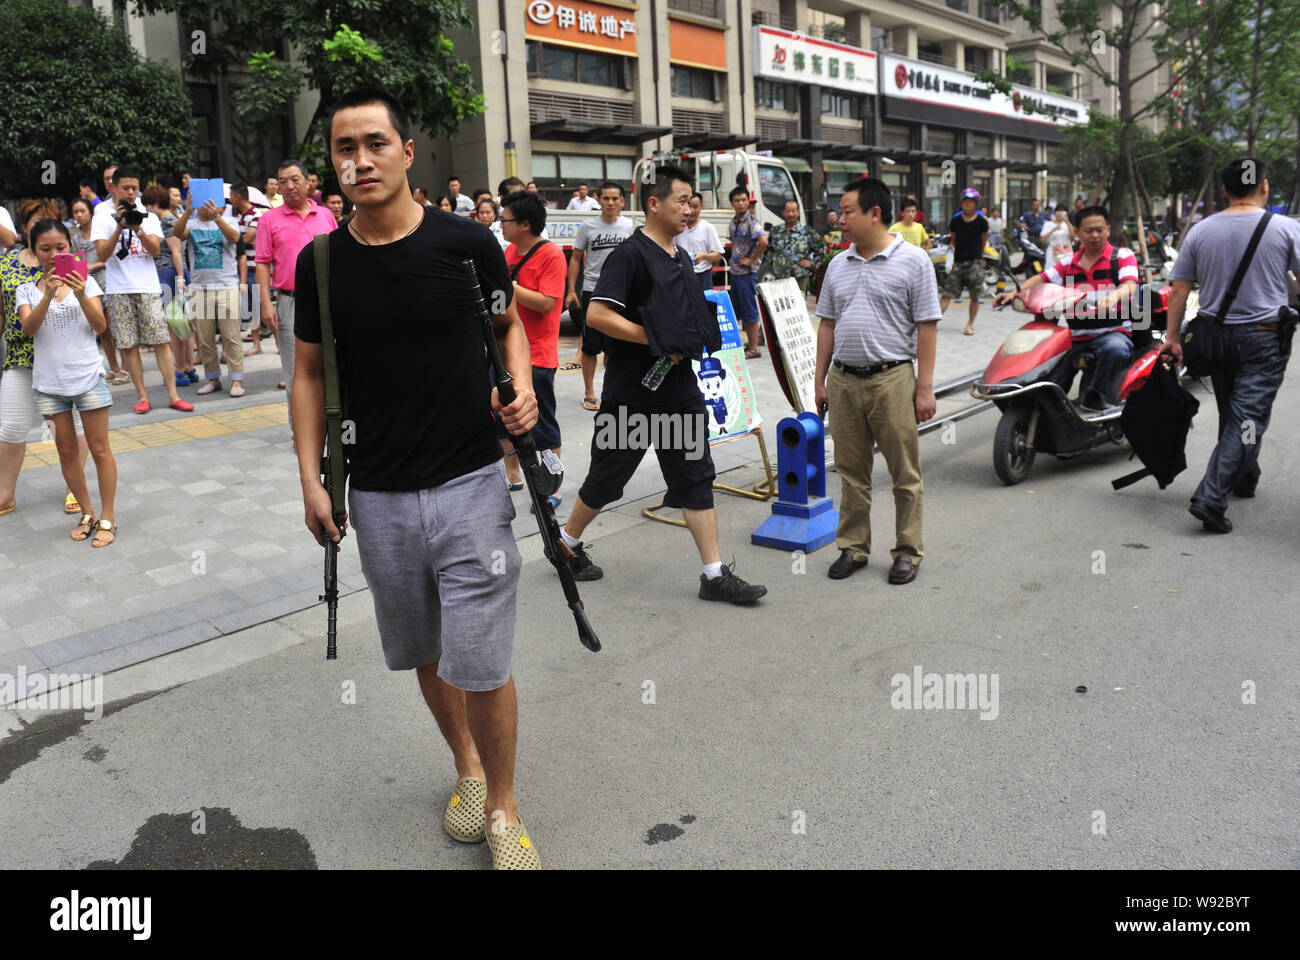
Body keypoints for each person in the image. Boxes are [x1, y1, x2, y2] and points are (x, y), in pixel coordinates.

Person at [292, 86, 542, 870]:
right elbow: (303, 377)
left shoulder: (467, 244)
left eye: (374, 143)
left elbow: (508, 327)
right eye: (343, 148)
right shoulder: (322, 263)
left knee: (483, 659)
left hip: (471, 481)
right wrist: (311, 481)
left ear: (407, 149)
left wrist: (523, 383)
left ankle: (503, 808)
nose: (359, 161)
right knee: (427, 651)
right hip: (378, 495)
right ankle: (466, 769)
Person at [561, 164, 768, 605]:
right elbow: (597, 315)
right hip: (632, 395)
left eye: (693, 201)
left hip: (678, 389)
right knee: (607, 477)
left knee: (695, 474)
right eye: (683, 200)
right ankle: (566, 544)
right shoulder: (630, 255)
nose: (691, 208)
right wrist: (653, 339)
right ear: (654, 204)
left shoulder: (681, 255)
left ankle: (713, 575)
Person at [1159, 157, 1300, 534]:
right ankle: (1211, 497)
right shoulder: (1286, 227)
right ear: (1265, 187)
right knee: (1247, 416)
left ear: (1224, 190)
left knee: (1236, 413)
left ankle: (1244, 475)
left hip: (1215, 338)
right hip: (1263, 338)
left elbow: (1179, 291)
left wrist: (1172, 339)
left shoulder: (1202, 231)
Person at [814, 177, 940, 585]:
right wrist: (820, 380)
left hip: (893, 380)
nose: (841, 218)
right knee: (851, 471)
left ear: (875, 213)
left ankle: (907, 551)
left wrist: (925, 387)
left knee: (904, 471)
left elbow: (927, 327)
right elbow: (827, 325)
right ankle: (853, 547)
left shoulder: (914, 261)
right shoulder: (837, 264)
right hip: (844, 380)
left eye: (848, 210)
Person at [15, 219, 118, 546]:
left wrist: (78, 291)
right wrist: (47, 295)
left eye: (60, 248)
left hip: (87, 377)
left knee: (100, 449)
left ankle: (108, 517)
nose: (53, 254)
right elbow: (29, 329)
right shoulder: (27, 289)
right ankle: (87, 512)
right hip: (49, 383)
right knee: (65, 450)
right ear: (33, 251)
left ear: (69, 248)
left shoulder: (87, 284)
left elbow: (101, 326)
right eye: (45, 249)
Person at [993, 205, 1138, 412]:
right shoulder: (1068, 263)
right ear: (1077, 233)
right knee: (1049, 372)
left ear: (1108, 229)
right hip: (1076, 337)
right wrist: (1014, 293)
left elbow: (1130, 284)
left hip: (1113, 332)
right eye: (1088, 231)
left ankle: (1096, 398)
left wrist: (1115, 295)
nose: (1095, 235)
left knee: (1115, 350)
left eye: (1099, 229)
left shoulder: (1121, 256)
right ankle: (1045, 410)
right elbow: (1042, 279)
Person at [1, 200, 91, 517]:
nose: (44, 224)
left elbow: (91, 315)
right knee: (10, 425)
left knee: (69, 429)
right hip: (21, 355)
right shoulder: (7, 265)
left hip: (61, 357)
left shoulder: (72, 263)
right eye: (36, 220)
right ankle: (5, 494)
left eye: (51, 220)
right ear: (25, 228)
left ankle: (75, 489)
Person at [91, 166, 194, 415]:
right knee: (128, 345)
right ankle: (142, 396)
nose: (130, 192)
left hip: (148, 286)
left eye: (134, 188)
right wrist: (119, 227)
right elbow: (102, 254)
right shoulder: (102, 214)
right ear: (113, 187)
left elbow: (156, 251)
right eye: (125, 188)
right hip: (118, 289)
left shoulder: (148, 214)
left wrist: (137, 227)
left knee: (161, 340)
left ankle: (173, 394)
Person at [499, 191, 567, 502]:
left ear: (525, 223)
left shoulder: (551, 255)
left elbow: (546, 303)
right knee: (502, 414)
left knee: (542, 423)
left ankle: (552, 482)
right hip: (503, 350)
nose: (501, 224)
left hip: (537, 353)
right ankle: (513, 474)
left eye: (505, 219)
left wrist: (510, 287)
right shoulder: (508, 252)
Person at [255, 159, 337, 395]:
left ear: (308, 182)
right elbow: (262, 262)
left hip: (327, 299)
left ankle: (333, 428)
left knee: (332, 366)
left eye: (295, 179)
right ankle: (299, 433)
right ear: (278, 188)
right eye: (283, 182)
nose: (289, 186)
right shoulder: (268, 219)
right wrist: (265, 304)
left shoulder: (325, 215)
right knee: (296, 372)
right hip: (290, 301)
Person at [566, 182, 633, 412]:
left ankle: (611, 390)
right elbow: (575, 258)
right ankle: (589, 392)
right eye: (606, 198)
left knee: (616, 346)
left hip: (622, 292)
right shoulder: (588, 227)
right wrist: (571, 290)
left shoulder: (630, 227)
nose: (611, 203)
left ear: (622, 201)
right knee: (590, 347)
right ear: (599, 200)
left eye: (615, 199)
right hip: (593, 291)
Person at [174, 194, 245, 397]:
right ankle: (212, 378)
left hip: (227, 286)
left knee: (231, 336)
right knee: (205, 340)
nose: (207, 205)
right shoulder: (192, 223)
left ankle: (237, 380)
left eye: (212, 201)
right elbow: (178, 233)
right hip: (200, 288)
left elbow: (234, 238)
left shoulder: (229, 221)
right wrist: (187, 211)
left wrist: (217, 218)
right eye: (203, 202)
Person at [143, 183, 197, 388]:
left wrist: (181, 278)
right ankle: (189, 368)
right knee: (182, 324)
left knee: (174, 326)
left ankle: (180, 369)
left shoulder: (166, 221)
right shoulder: (170, 219)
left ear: (155, 204)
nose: (146, 209)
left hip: (169, 274)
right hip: (174, 274)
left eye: (147, 205)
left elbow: (176, 251)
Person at [939, 187, 988, 336]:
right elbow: (953, 240)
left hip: (975, 263)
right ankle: (932, 323)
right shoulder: (955, 220)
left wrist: (978, 254)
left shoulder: (981, 221)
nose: (968, 204)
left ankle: (970, 324)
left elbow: (983, 241)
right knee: (946, 294)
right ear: (962, 203)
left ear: (975, 204)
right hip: (958, 262)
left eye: (971, 202)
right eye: (965, 201)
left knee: (975, 296)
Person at [728, 185, 768, 359]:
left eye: (743, 200)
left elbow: (764, 242)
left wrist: (751, 260)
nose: (740, 203)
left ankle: (754, 348)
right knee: (739, 310)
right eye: (737, 200)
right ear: (732, 203)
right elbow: (734, 244)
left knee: (750, 311)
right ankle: (749, 344)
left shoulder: (752, 222)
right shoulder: (733, 222)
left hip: (747, 273)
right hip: (735, 273)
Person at [229, 184, 264, 355]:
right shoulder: (236, 215)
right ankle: (256, 343)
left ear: (238, 196)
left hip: (255, 267)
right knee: (250, 308)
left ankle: (274, 343)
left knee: (258, 307)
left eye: (231, 196)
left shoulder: (255, 214)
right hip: (242, 267)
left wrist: (234, 239)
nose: (230, 200)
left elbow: (249, 237)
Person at [768, 199, 825, 299]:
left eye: (793, 211)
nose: (790, 214)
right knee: (781, 307)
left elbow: (821, 249)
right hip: (780, 278)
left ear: (798, 212)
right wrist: (774, 264)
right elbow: (768, 250)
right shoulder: (775, 231)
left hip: (800, 277)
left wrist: (811, 263)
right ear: (783, 212)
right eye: (788, 211)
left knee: (799, 308)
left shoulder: (807, 231)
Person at [676, 191, 724, 293]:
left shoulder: (707, 228)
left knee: (705, 306)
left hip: (702, 276)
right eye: (689, 206)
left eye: (696, 206)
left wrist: (702, 257)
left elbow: (718, 255)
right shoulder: (678, 228)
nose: (692, 210)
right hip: (682, 274)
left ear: (701, 206)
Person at [1041, 203, 1074, 269]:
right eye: (1058, 211)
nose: (1060, 213)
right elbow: (1042, 240)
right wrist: (1053, 230)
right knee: (1052, 273)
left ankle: (1069, 280)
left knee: (1069, 274)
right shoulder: (1048, 224)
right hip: (1053, 253)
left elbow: (1072, 237)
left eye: (1063, 211)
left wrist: (1067, 222)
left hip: (1067, 253)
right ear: (1055, 212)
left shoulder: (1067, 225)